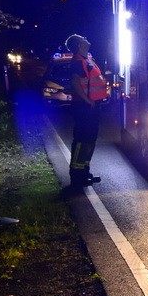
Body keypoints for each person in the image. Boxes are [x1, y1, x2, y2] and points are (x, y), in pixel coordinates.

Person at [65, 34, 106, 186]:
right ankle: (77, 175)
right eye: (82, 38)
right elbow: (75, 83)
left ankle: (84, 171)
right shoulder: (77, 62)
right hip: (84, 108)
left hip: (91, 107)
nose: (86, 38)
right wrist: (87, 100)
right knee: (82, 141)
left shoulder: (87, 59)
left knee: (89, 140)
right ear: (78, 45)